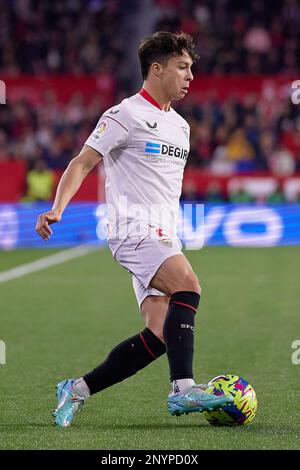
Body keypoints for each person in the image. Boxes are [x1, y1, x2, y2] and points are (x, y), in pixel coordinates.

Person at [35, 31, 233, 427]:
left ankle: (76, 390)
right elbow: (82, 162)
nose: (190, 75)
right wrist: (58, 207)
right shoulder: (123, 114)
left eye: (191, 68)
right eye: (182, 67)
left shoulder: (180, 127)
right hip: (132, 229)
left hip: (164, 233)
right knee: (188, 285)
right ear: (156, 69)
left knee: (160, 334)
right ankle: (183, 388)